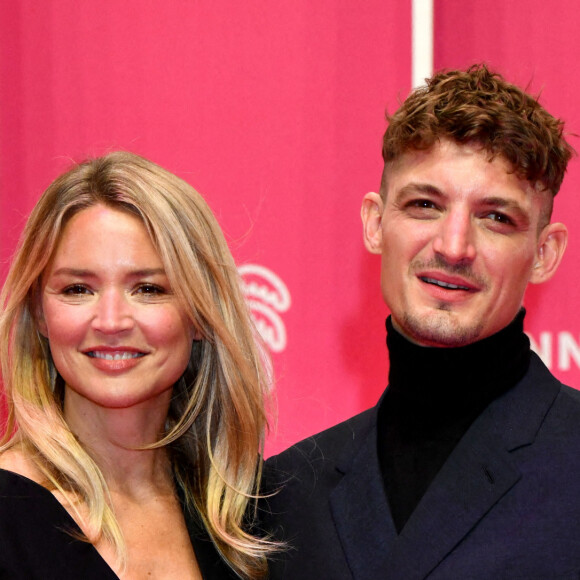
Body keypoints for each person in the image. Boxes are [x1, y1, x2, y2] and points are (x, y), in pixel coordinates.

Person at [262, 64, 580, 579]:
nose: (454, 247)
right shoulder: (285, 495)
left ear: (544, 253)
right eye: (425, 204)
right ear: (375, 222)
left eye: (495, 217)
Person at [0, 151, 277, 579]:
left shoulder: (244, 516)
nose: (111, 321)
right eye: (77, 289)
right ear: (39, 312)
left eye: (148, 289)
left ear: (201, 314)